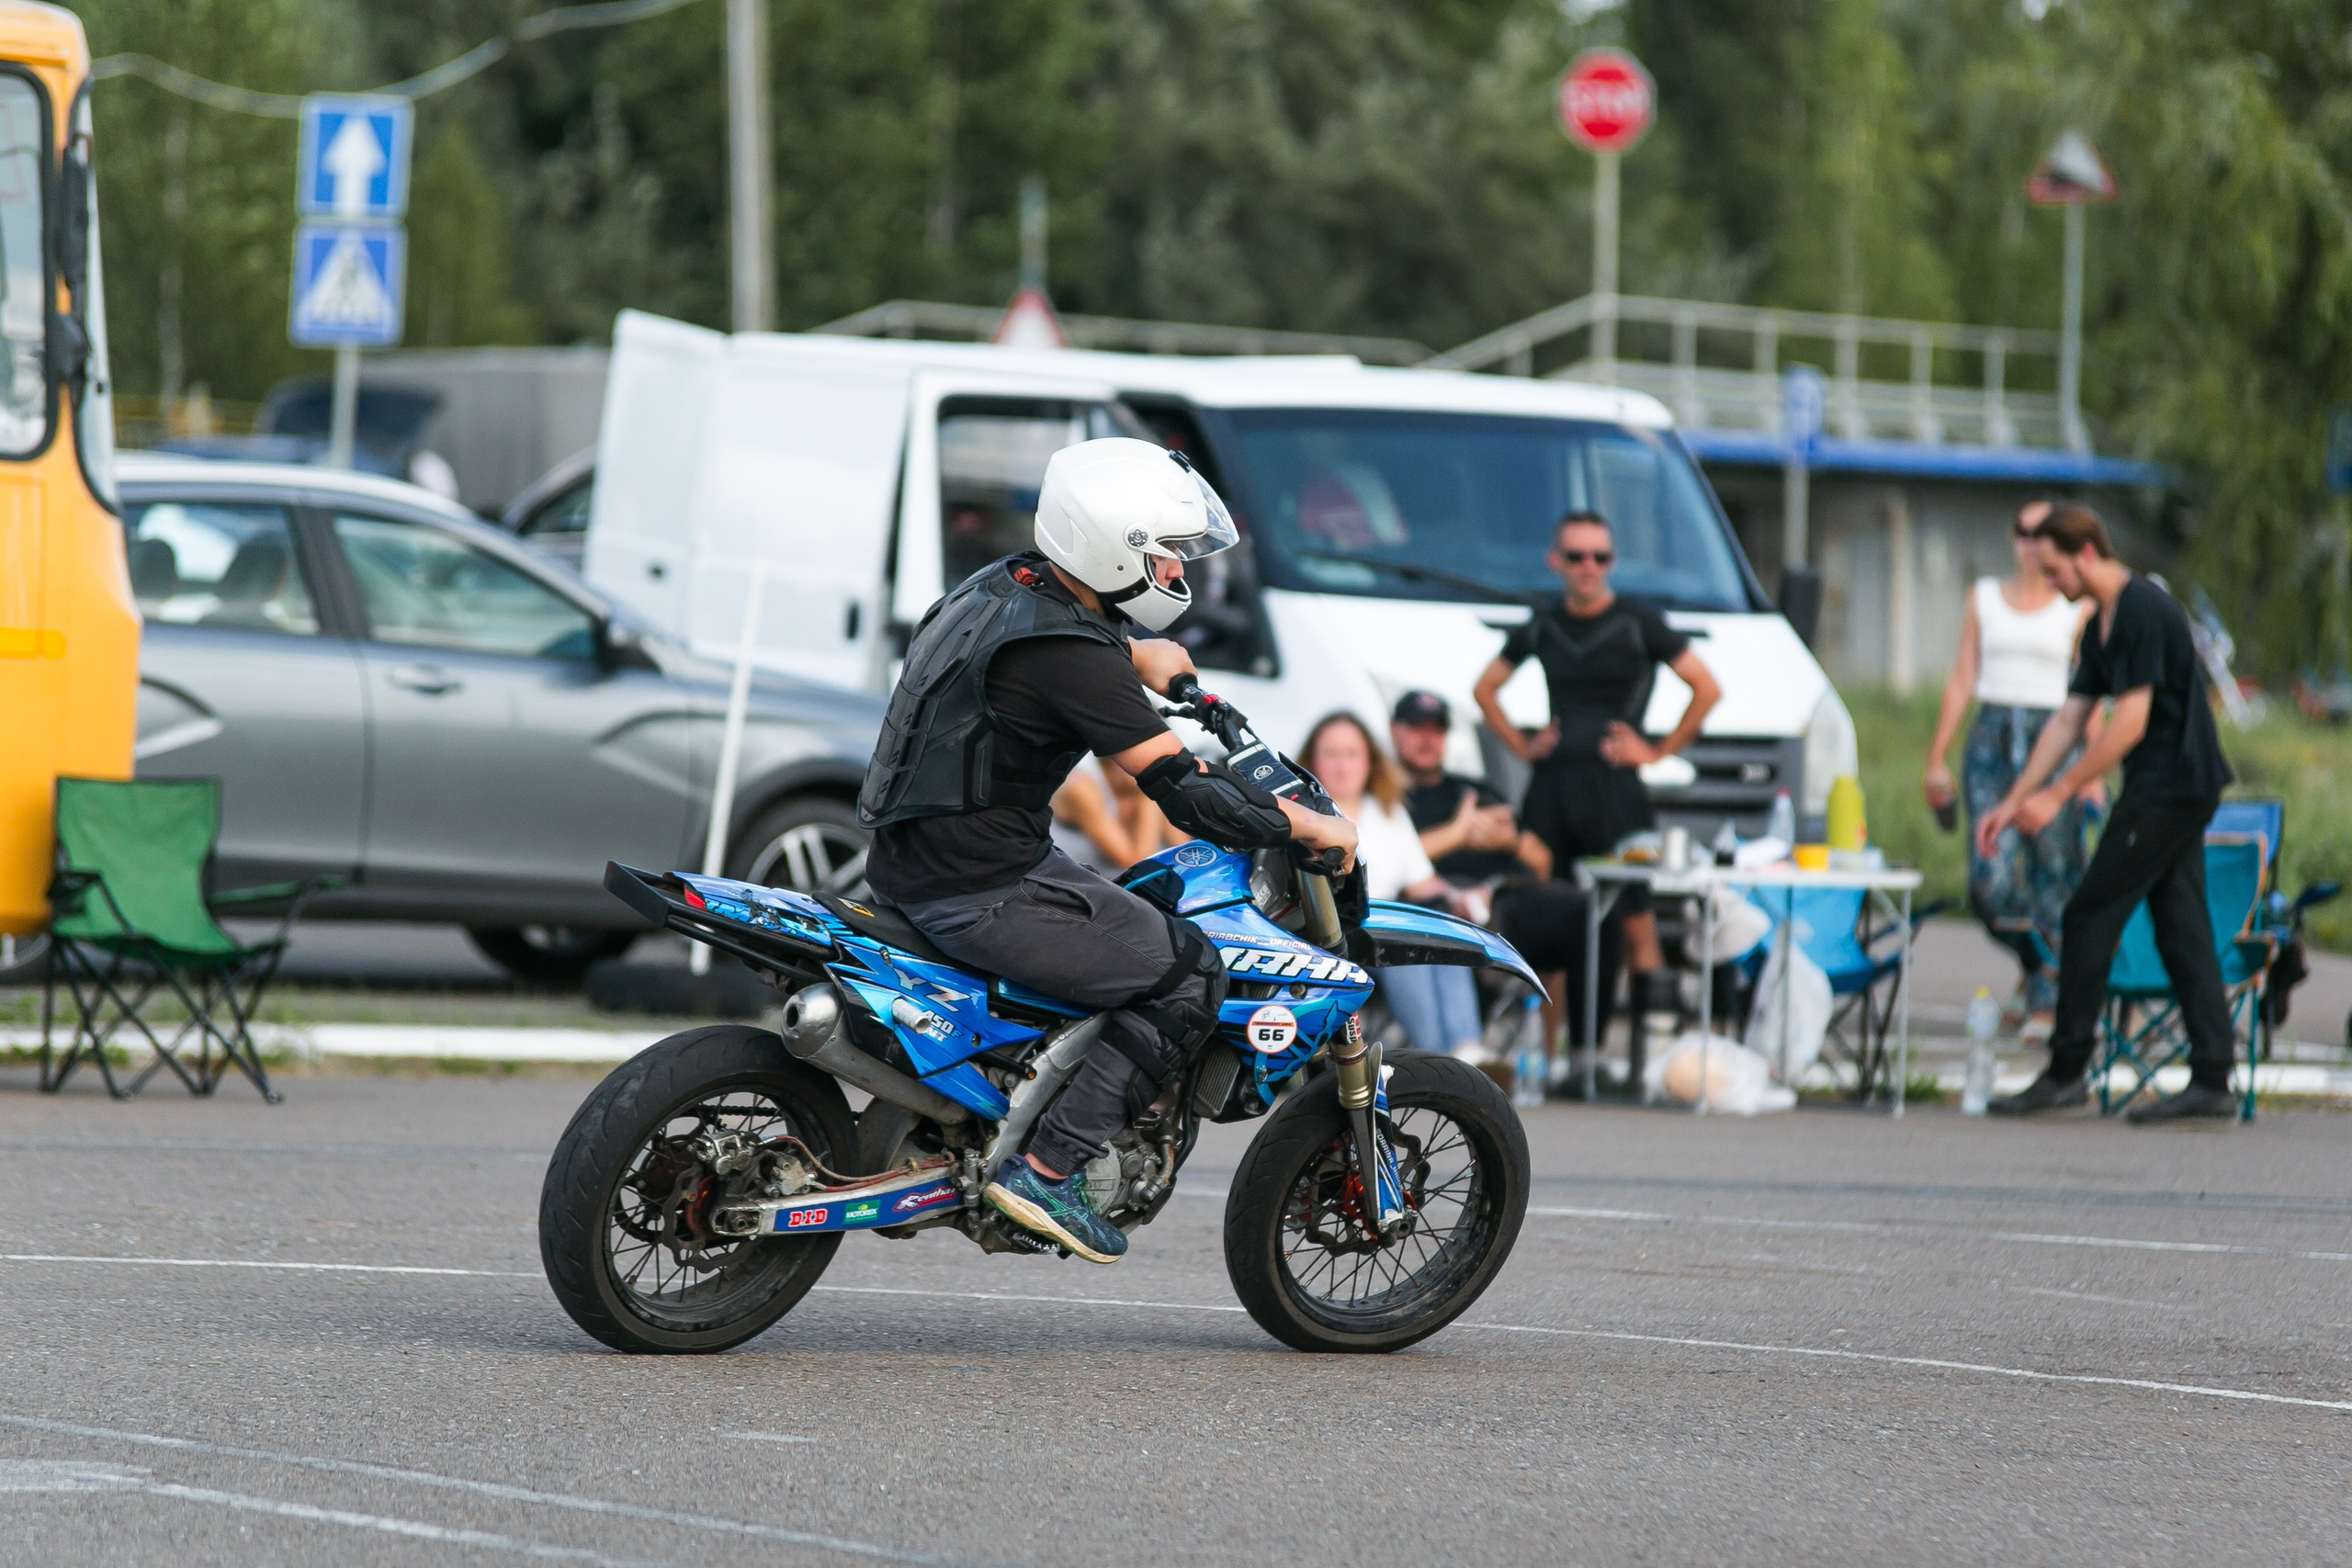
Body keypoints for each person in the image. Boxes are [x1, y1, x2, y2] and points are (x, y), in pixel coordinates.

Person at [859, 437, 1357, 1263]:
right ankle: (1047, 1172)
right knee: (1189, 971)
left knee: (1122, 914)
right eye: (1166, 552)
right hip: (981, 886)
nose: (1177, 570)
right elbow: (1186, 791)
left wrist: (1128, 654)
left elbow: (1038, 664)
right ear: (1114, 550)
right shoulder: (1073, 658)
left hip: (916, 862)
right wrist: (1309, 825)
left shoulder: (1001, 584)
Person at [1977, 503, 2238, 1122]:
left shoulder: (2142, 609)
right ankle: (2212, 1080)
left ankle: (2067, 1072)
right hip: (2164, 785)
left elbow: (2129, 724)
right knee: (2181, 924)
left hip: (2173, 784)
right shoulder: (2102, 624)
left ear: (2087, 553)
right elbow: (2069, 719)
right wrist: (2013, 800)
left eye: (2055, 570)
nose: (2051, 583)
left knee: (2088, 913)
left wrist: (2059, 793)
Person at [1471, 509, 1721, 1035]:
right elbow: (1484, 689)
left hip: (1616, 789)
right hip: (1552, 787)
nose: (1588, 567)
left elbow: (1707, 688)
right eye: (1577, 556)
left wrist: (1656, 751)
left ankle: (1652, 1051)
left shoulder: (1639, 622)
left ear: (1612, 562)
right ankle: (1556, 1057)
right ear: (1556, 561)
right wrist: (1523, 745)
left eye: (1599, 557)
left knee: (1635, 918)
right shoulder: (1542, 623)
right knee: (1551, 920)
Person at [1922, 499, 2099, 1039]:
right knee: (1988, 882)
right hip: (1993, 740)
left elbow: (2090, 694)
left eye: (2042, 532)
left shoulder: (2074, 606)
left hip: (2055, 736)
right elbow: (1961, 679)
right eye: (2023, 531)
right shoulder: (1984, 598)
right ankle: (2038, 961)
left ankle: (2046, 999)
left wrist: (2091, 772)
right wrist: (1936, 757)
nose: (2031, 543)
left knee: (2054, 873)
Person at [1389, 690, 1608, 1072]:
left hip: (1505, 899)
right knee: (1443, 918)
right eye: (1417, 728)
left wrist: (1512, 842)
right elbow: (1388, 862)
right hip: (1432, 906)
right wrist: (1458, 832)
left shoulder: (1475, 790)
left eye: (1436, 730)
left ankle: (1585, 1059)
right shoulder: (1389, 795)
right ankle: (1454, 1058)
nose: (1428, 739)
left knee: (1590, 912)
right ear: (1394, 731)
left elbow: (1542, 862)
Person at [1296, 711, 1482, 1061]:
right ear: (1312, 761)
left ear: (1369, 761)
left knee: (1448, 938)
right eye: (1332, 754)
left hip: (1388, 923)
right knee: (1403, 954)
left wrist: (1463, 899)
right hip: (1331, 935)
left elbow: (1423, 884)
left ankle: (1467, 1051)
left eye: (1352, 754)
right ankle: (1440, 1061)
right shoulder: (1303, 815)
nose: (1342, 766)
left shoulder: (1387, 812)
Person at [1049, 756, 1186, 874]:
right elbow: (1136, 865)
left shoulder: (1139, 786)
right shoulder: (1081, 786)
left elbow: (1184, 853)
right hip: (1073, 885)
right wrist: (1150, 801)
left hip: (1114, 884)